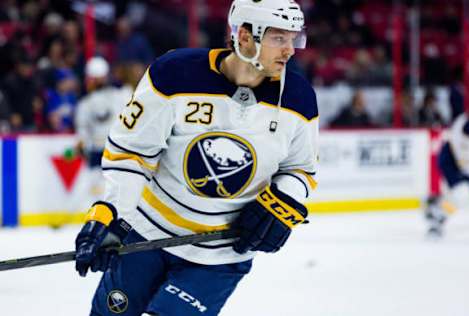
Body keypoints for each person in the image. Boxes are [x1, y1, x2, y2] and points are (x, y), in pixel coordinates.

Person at [74, 1, 319, 315]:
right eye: (278, 38)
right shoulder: (175, 74)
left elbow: (301, 168)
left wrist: (285, 198)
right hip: (147, 233)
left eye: (293, 39)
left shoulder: (298, 98)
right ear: (244, 36)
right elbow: (132, 152)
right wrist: (110, 213)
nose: (290, 50)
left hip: (219, 256)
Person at [75, 56, 132, 203]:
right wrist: (82, 142)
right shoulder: (86, 102)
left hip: (113, 148)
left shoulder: (121, 94)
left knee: (109, 188)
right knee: (98, 188)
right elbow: (82, 129)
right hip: (102, 149)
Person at [425, 92, 469, 237]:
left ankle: (434, 203)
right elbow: (466, 164)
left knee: (467, 192)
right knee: (463, 192)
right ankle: (437, 219)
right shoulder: (466, 129)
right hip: (451, 161)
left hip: (462, 162)